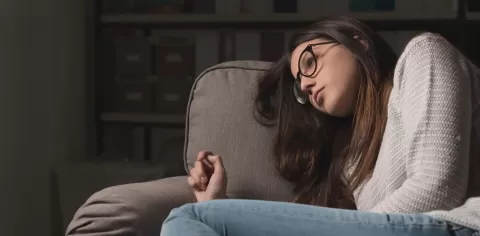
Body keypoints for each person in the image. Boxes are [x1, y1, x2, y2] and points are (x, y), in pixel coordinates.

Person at [161, 16, 480, 236]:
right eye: (300, 86)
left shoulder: (424, 55)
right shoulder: (355, 159)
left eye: (310, 63)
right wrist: (218, 205)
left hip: (456, 225)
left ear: (358, 43)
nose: (307, 85)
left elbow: (438, 189)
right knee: (203, 219)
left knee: (188, 218)